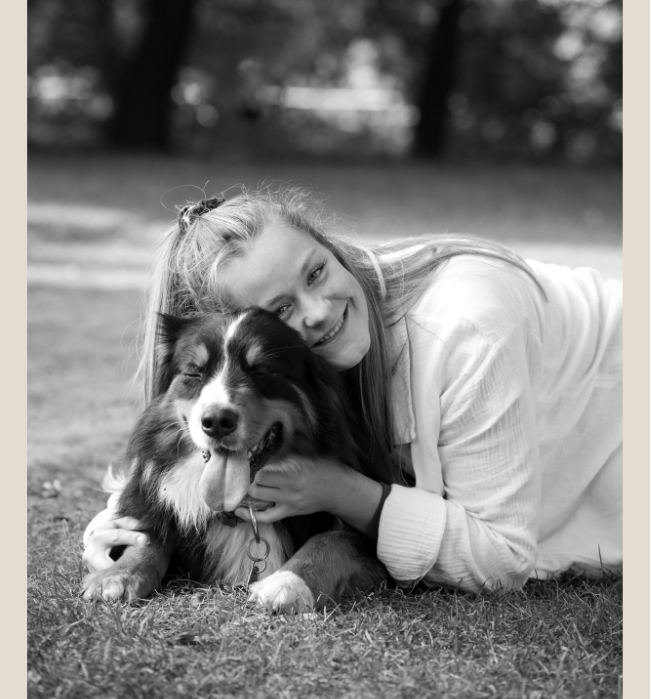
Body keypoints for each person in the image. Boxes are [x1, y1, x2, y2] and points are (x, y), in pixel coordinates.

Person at [83, 185, 622, 595]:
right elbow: (181, 448)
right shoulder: (295, 367)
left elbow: (501, 556)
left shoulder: (468, 326)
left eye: (315, 272)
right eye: (281, 310)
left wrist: (339, 491)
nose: (318, 312)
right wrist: (125, 529)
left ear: (331, 247)